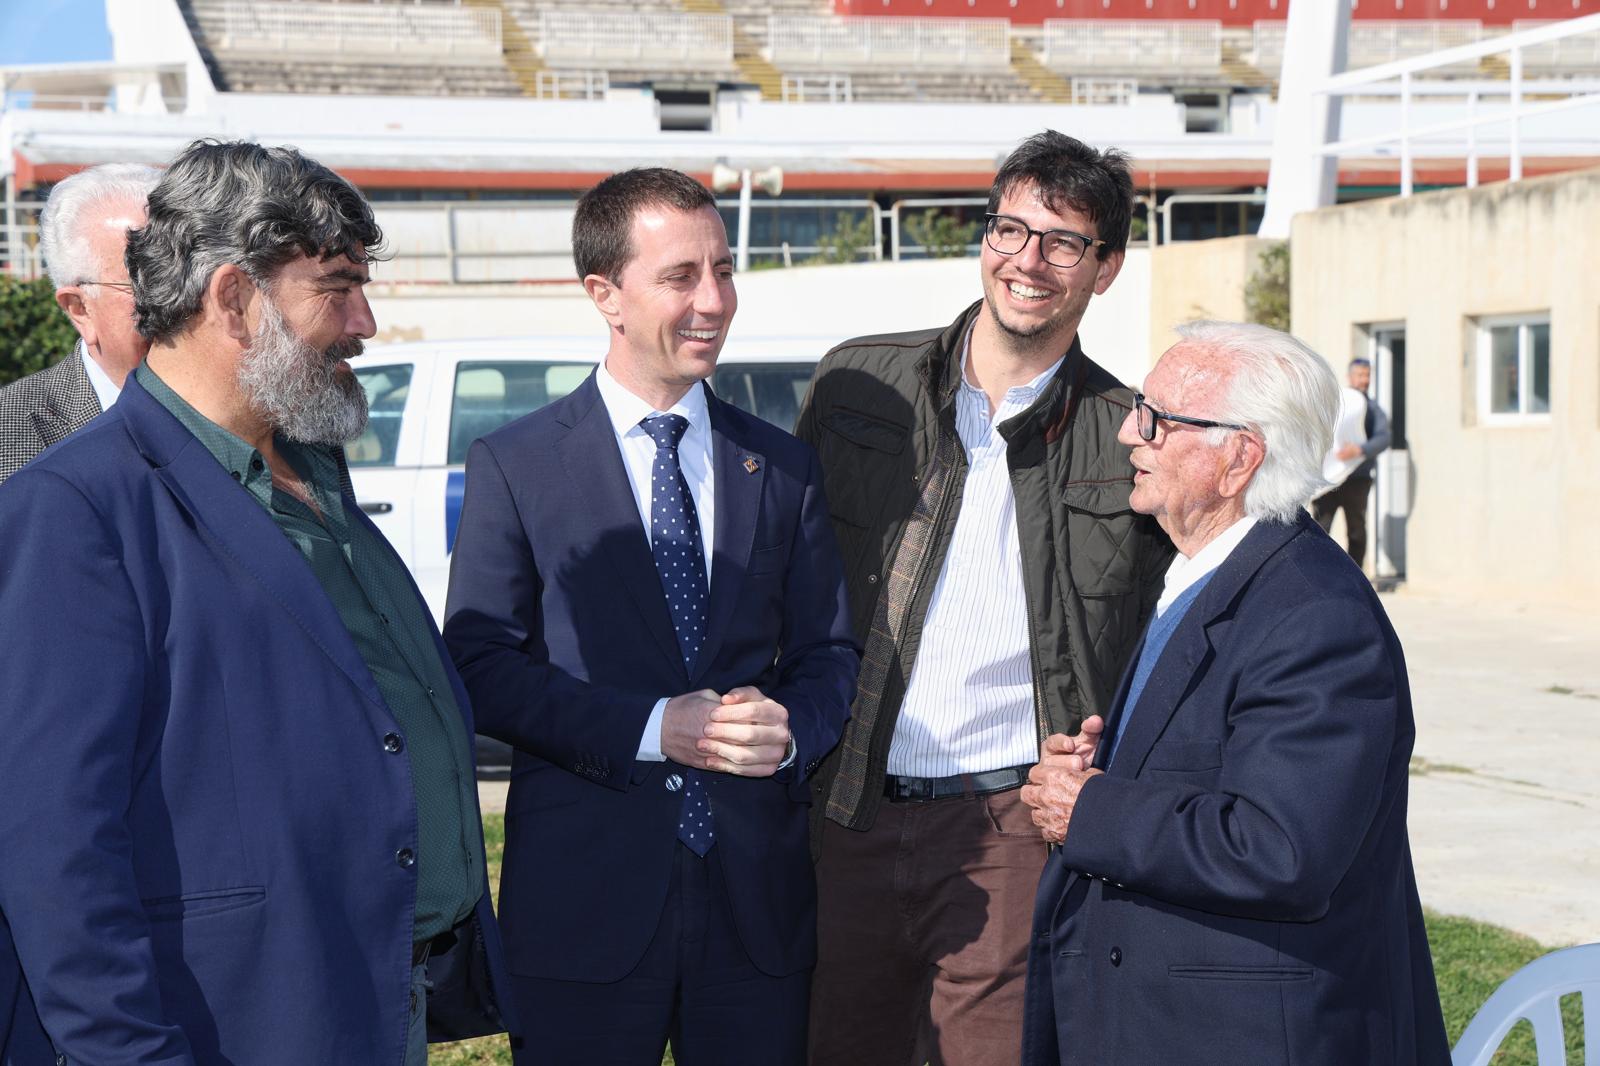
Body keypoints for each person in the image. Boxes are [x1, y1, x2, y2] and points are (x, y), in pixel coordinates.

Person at [0, 140, 512, 1066]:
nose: (365, 320)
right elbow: (54, 849)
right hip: (227, 1025)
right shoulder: (75, 510)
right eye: (337, 287)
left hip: (371, 995)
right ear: (234, 299)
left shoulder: (312, 468)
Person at [442, 167, 859, 1066]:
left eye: (724, 269)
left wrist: (786, 735)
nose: (715, 300)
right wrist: (651, 728)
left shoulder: (782, 467)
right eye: (681, 276)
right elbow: (478, 665)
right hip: (584, 906)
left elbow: (829, 654)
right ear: (605, 293)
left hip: (758, 909)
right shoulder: (516, 464)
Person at [794, 130, 1173, 1066]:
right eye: (1011, 228)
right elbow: (785, 578)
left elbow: (1153, 639)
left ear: (1107, 269)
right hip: (847, 809)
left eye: (1063, 241)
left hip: (1012, 826)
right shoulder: (858, 386)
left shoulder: (1127, 438)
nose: (1027, 260)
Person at [1019, 321, 1450, 1066]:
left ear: (1238, 457)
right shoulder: (1208, 573)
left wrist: (1092, 807)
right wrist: (1108, 766)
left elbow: (1282, 848)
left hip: (1248, 1034)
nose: (1129, 432)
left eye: (1156, 417)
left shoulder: (1316, 614)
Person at [0, 163, 159, 484]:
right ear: (80, 309)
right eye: (150, 285)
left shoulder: (256, 418)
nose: (183, 302)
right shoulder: (9, 433)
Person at [1313, 356, 1391, 569]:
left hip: (1357, 479)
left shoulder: (1373, 409)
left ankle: (1355, 578)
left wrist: (1360, 450)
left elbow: (1384, 438)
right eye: (1360, 375)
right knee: (1319, 529)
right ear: (1350, 377)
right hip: (1327, 479)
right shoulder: (1337, 404)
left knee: (1356, 531)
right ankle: (1318, 575)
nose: (1364, 380)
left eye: (1367, 375)